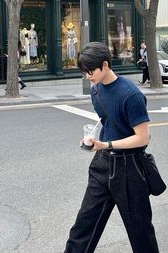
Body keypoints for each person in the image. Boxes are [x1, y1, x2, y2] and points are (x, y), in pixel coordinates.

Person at [64, 42, 160, 253]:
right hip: (102, 164)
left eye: (90, 71)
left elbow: (143, 138)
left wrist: (105, 144)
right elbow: (108, 123)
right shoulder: (96, 90)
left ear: (105, 65)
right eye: (84, 72)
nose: (87, 76)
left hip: (130, 169)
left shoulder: (131, 95)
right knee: (82, 228)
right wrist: (93, 141)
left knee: (141, 233)